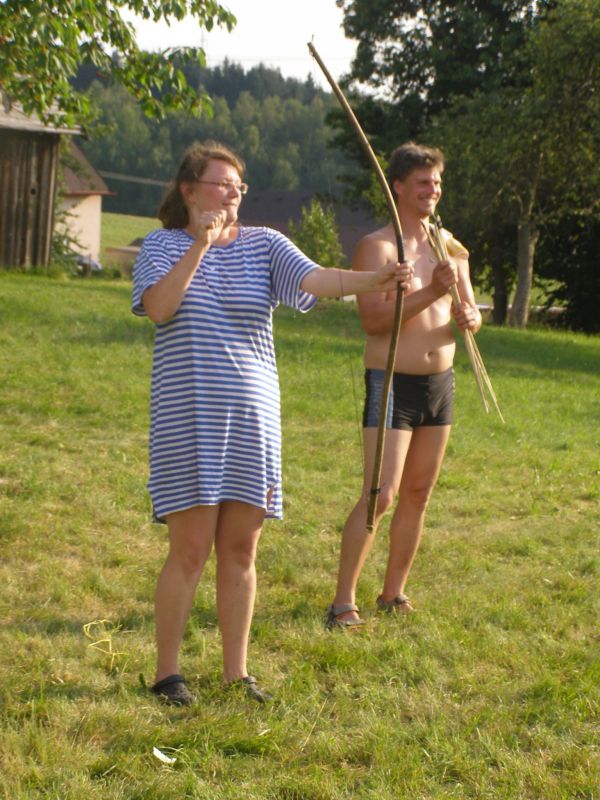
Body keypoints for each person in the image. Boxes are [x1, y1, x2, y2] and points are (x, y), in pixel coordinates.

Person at [131, 140, 413, 705]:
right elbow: (160, 307)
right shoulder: (162, 246)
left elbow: (317, 280)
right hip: (189, 423)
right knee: (190, 551)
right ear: (189, 190)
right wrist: (200, 245)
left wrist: (375, 280)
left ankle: (236, 674)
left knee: (241, 552)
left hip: (252, 425)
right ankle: (167, 675)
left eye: (238, 185)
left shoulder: (264, 244)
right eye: (221, 183)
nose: (232, 193)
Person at [325, 141, 481, 629]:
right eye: (422, 182)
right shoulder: (379, 247)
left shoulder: (450, 247)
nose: (432, 190)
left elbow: (470, 309)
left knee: (418, 492)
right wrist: (431, 291)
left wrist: (470, 318)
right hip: (392, 381)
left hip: (440, 383)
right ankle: (342, 601)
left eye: (437, 182)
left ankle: (393, 593)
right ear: (397, 186)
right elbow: (374, 322)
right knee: (381, 492)